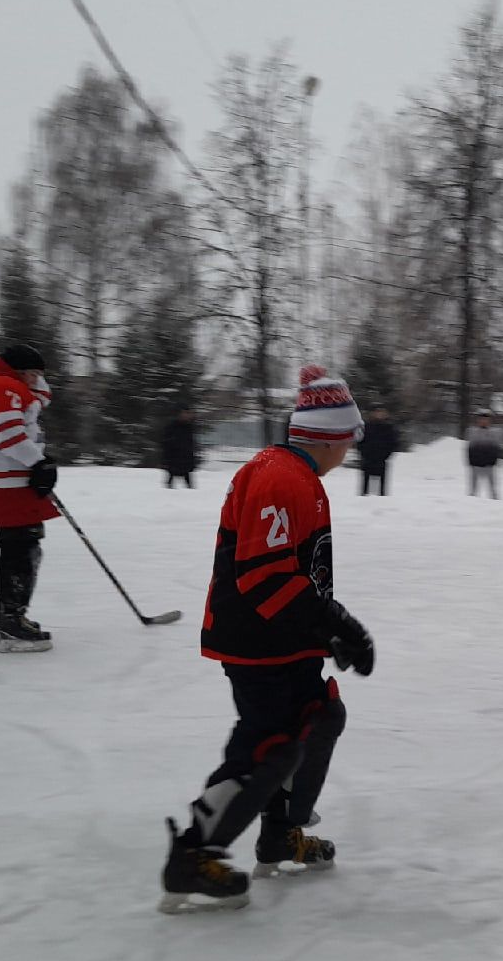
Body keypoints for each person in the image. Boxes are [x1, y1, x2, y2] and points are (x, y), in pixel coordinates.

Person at [159, 365, 373, 913]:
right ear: (329, 435)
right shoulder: (279, 477)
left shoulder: (301, 477)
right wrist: (336, 622)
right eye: (348, 436)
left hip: (284, 635)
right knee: (270, 747)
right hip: (256, 640)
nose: (350, 447)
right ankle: (193, 855)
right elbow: (266, 575)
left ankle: (281, 834)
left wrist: (328, 632)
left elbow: (300, 576)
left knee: (320, 719)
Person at [0, 342, 58, 653]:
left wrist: (37, 463)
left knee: (20, 548)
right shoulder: (1, 385)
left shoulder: (9, 385)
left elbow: (41, 398)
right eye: (33, 374)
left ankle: (6, 618)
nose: (37, 381)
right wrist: (39, 462)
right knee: (22, 549)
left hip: (8, 481)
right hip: (3, 483)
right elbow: (8, 436)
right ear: (18, 372)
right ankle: (11, 622)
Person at [357, 405, 400, 496]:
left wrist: (387, 455)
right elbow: (360, 441)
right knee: (365, 484)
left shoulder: (389, 428)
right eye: (377, 412)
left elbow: (393, 443)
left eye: (382, 412)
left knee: (383, 486)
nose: (379, 414)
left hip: (382, 459)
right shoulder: (366, 426)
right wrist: (364, 453)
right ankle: (362, 499)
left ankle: (382, 500)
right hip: (368, 458)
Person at [161, 407, 200, 489]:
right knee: (170, 481)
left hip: (186, 458)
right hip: (173, 457)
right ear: (179, 414)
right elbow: (166, 443)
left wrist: (193, 457)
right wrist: (166, 459)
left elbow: (191, 442)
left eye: (188, 413)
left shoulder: (189, 427)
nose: (186, 416)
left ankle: (192, 496)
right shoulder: (172, 426)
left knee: (189, 482)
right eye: (184, 413)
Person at [466, 412, 502, 498]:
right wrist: (471, 461)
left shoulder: (493, 433)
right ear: (478, 421)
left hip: (489, 463)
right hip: (476, 463)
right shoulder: (473, 433)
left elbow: (496, 449)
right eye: (481, 419)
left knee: (492, 485)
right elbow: (470, 448)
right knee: (473, 485)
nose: (483, 421)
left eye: (486, 420)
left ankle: (495, 500)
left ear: (489, 421)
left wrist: (493, 461)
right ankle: (471, 499)